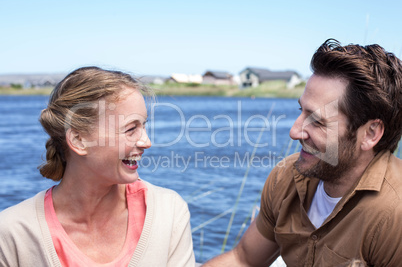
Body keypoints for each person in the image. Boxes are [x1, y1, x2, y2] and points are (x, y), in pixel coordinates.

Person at [203, 39, 402, 266]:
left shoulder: (394, 215)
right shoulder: (285, 176)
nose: (295, 131)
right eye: (301, 110)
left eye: (317, 121)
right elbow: (244, 259)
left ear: (370, 133)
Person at [0, 67, 196, 267]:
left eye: (143, 126)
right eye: (131, 129)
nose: (147, 142)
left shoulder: (169, 212)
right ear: (79, 140)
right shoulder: (11, 233)